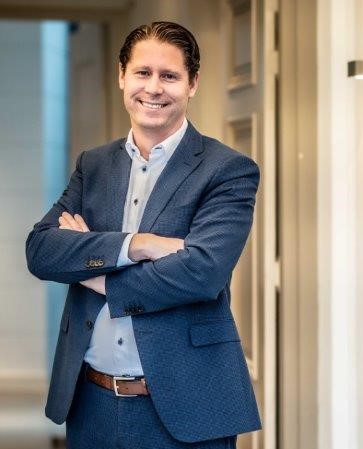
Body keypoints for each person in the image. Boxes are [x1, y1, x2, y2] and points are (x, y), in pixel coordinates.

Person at [25, 21, 261, 448]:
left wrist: (90, 270)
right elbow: (42, 251)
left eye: (169, 75)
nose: (154, 88)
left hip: (187, 408)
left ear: (192, 84)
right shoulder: (94, 165)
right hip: (91, 403)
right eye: (142, 72)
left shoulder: (227, 170)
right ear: (122, 76)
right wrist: (137, 245)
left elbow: (202, 273)